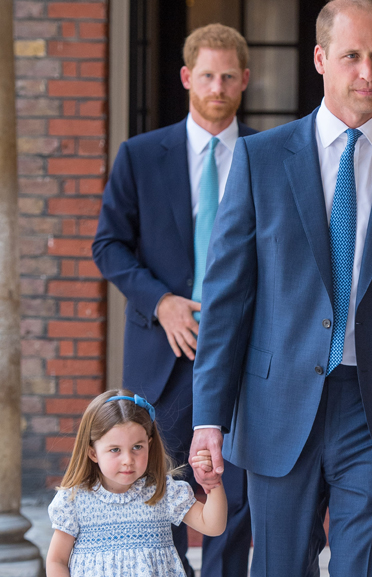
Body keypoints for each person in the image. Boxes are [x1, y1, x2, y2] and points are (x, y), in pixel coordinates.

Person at [189, 2, 372, 576]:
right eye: (352, 57)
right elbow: (226, 301)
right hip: (278, 408)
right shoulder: (260, 159)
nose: (368, 72)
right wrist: (208, 419)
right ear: (321, 60)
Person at [91, 24, 254, 577]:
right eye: (207, 75)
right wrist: (162, 301)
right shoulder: (139, 155)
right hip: (164, 352)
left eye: (229, 75)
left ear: (245, 81)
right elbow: (107, 244)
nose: (218, 86)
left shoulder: (267, 155)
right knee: (155, 492)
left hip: (245, 349)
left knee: (233, 496)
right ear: (187, 77)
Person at [45, 390, 227, 577]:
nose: (128, 460)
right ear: (93, 453)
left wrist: (212, 481)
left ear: (149, 444)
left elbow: (213, 525)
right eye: (115, 449)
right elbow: (57, 560)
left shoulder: (162, 491)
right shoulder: (75, 500)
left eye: (137, 447)